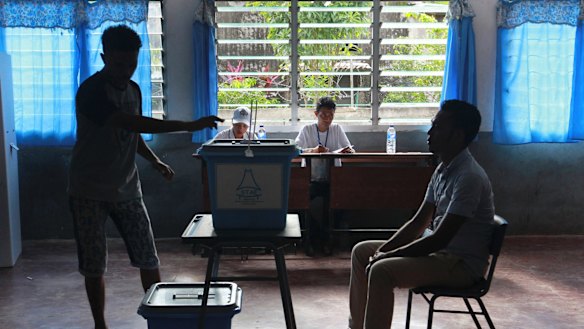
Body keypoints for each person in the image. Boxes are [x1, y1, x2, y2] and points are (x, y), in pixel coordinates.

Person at [67, 25, 223, 329]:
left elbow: (132, 132)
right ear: (104, 57)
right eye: (118, 64)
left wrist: (154, 161)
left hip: (127, 189)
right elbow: (127, 121)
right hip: (88, 190)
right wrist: (189, 126)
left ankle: (160, 319)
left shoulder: (134, 90)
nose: (125, 71)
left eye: (131, 64)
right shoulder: (92, 91)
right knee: (94, 264)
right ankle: (100, 324)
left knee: (148, 257)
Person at [348, 100, 495, 329]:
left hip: (460, 265)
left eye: (437, 127)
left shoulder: (469, 177)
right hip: (440, 256)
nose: (430, 132)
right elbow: (418, 222)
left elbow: (439, 239)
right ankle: (357, 326)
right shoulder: (443, 169)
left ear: (457, 136)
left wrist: (387, 256)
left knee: (381, 270)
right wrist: (384, 250)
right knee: (362, 252)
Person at [295, 96, 354, 256]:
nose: (327, 118)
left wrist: (345, 151)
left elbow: (348, 149)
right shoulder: (307, 130)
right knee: (302, 205)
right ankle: (314, 238)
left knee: (336, 206)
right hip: (311, 178)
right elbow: (297, 150)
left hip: (332, 179)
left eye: (331, 115)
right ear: (316, 114)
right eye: (323, 115)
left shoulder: (336, 129)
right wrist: (314, 150)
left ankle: (327, 240)